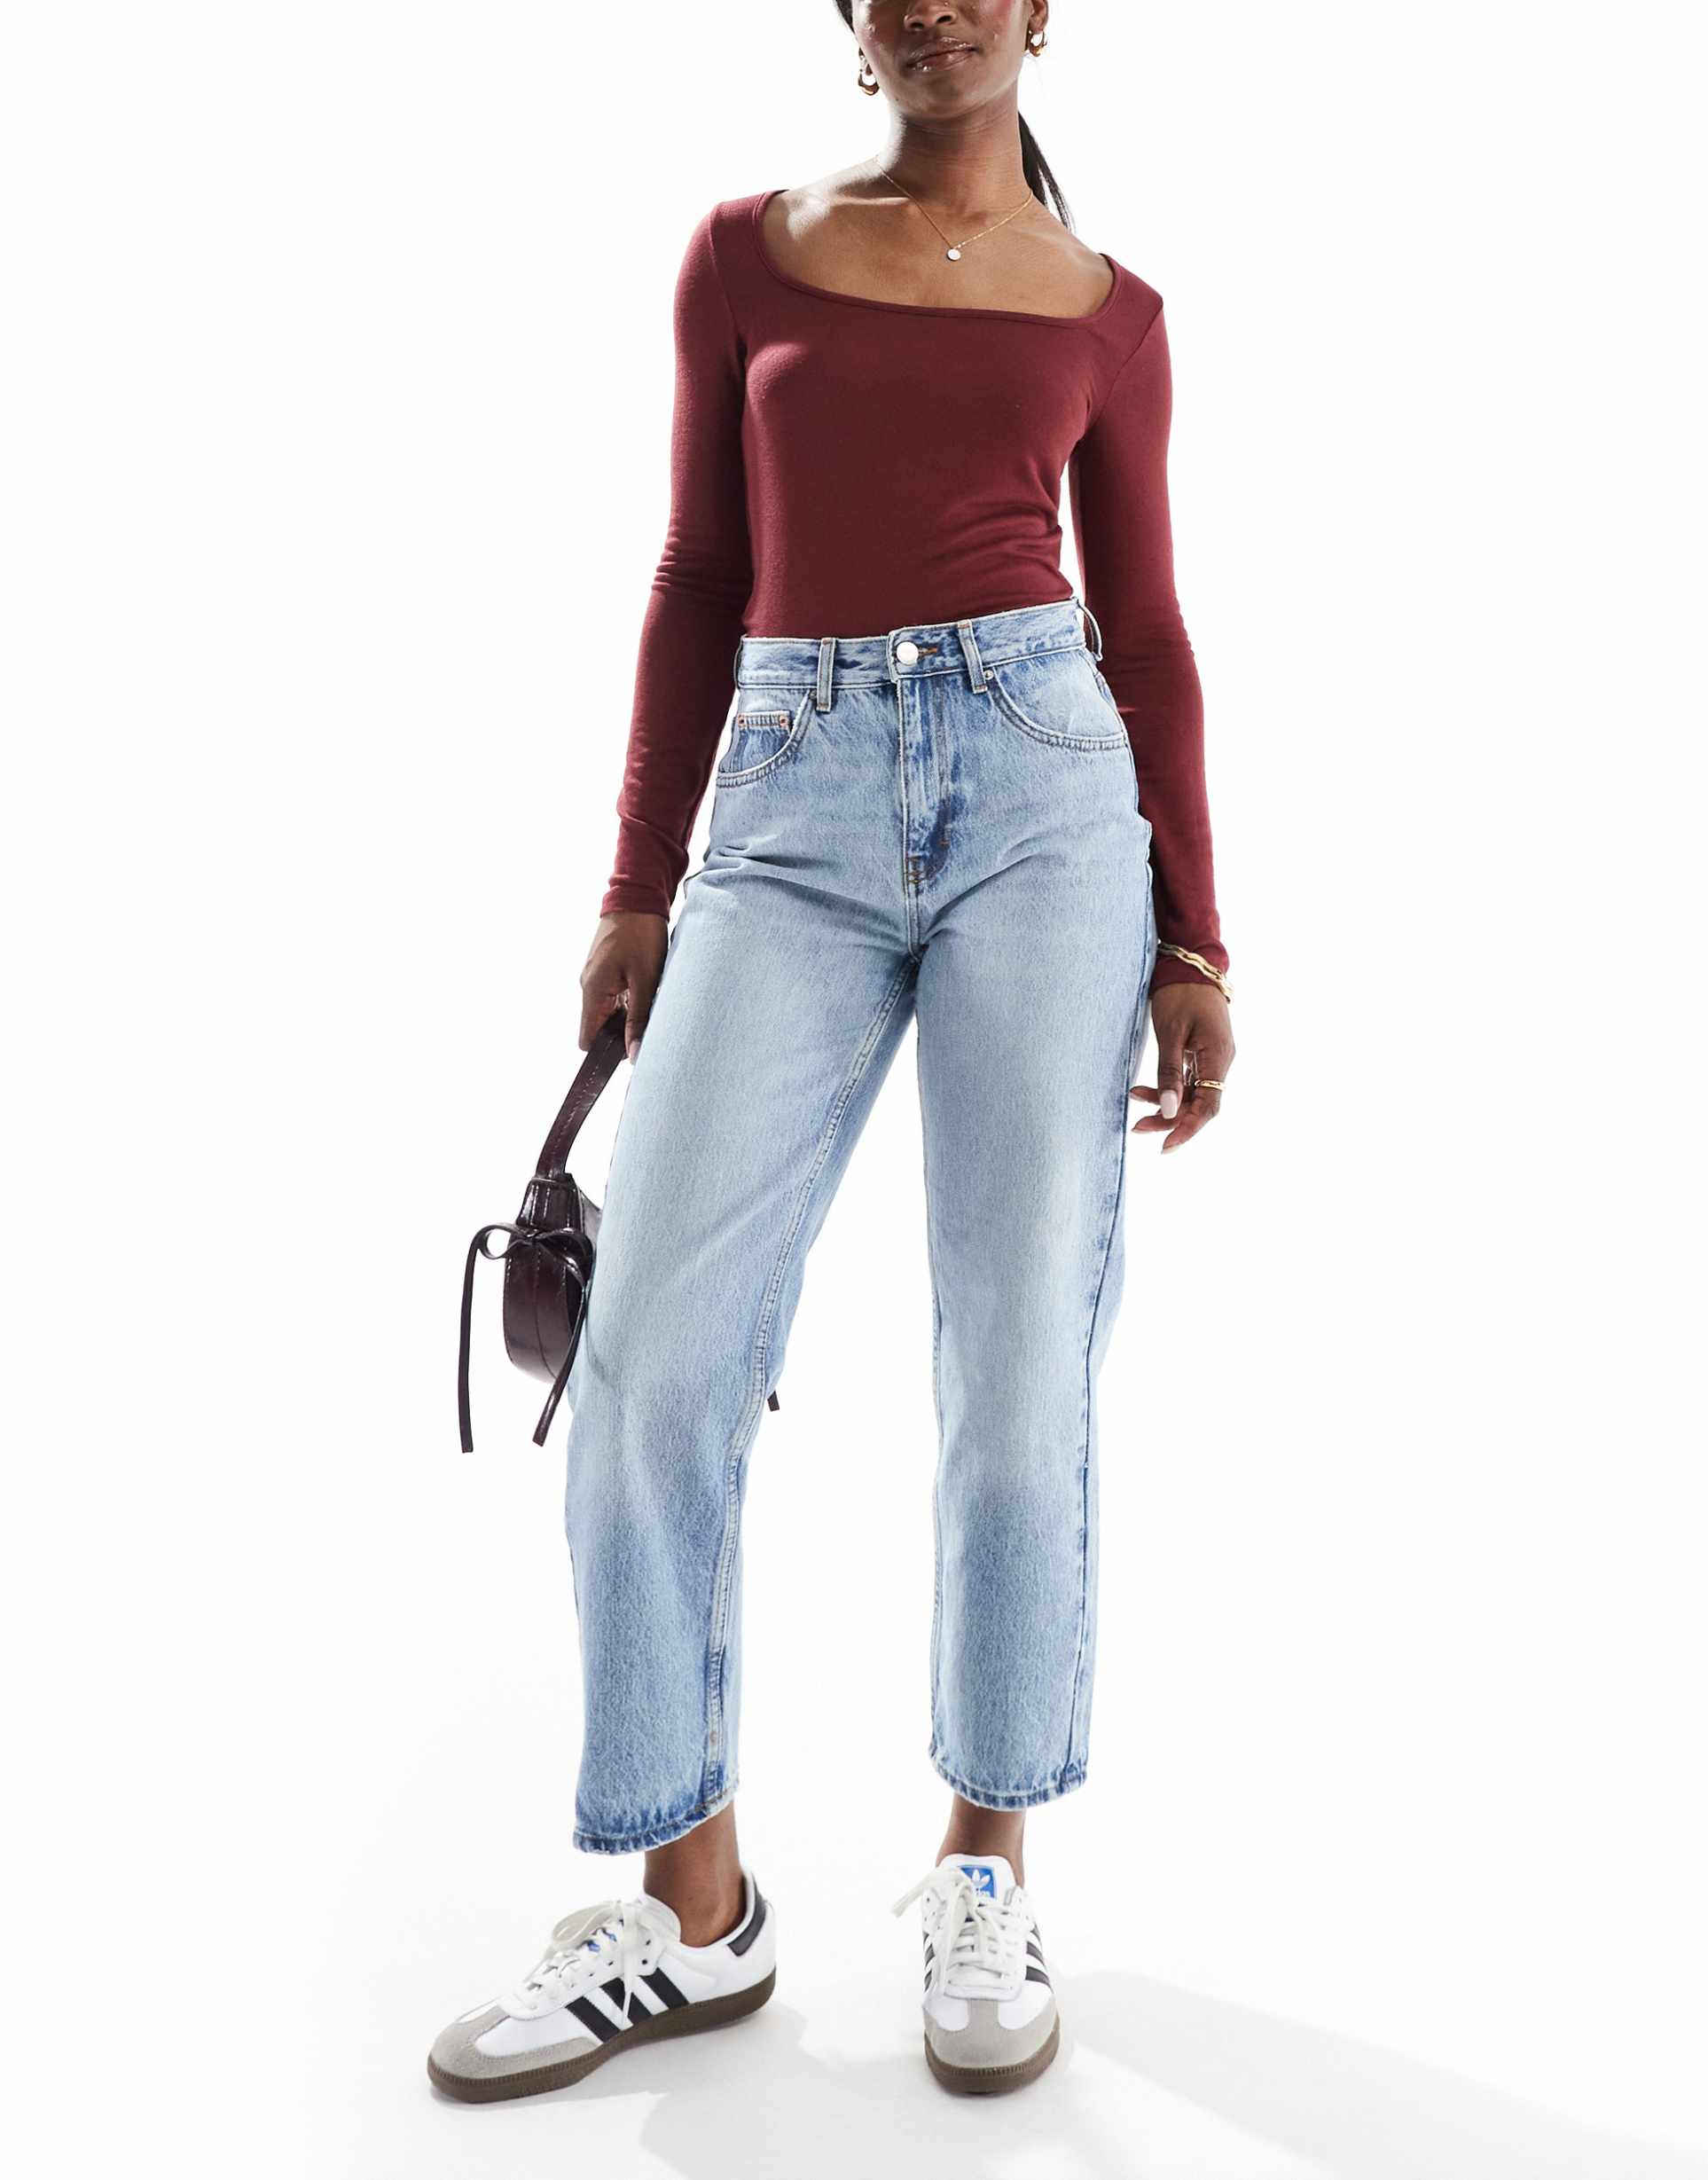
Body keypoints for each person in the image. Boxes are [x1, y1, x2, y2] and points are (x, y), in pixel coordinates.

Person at [428, 0, 1234, 2104]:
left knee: (1018, 1361)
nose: (935, 5)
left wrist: (1198, 935)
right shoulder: (741, 254)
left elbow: (1148, 633)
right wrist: (635, 886)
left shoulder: (1114, 314)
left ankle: (985, 1868)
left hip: (1048, 801)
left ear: (1042, 15)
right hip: (783, 804)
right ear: (855, 22)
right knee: (648, 1357)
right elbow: (701, 568)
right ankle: (693, 1910)